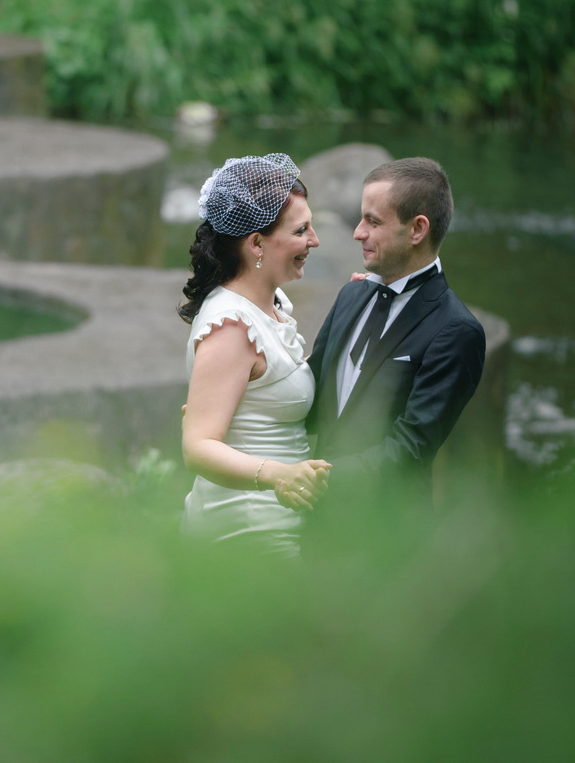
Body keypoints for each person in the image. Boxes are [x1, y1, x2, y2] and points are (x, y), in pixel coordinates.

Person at [304, 157, 485, 532]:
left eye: (373, 221)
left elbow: (413, 447)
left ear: (417, 229)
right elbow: (312, 392)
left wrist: (316, 478)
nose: (358, 233)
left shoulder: (456, 330)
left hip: (388, 537)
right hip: (315, 523)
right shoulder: (351, 296)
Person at [179, 153, 333, 556]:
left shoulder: (269, 305)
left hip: (279, 522)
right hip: (245, 532)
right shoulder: (232, 326)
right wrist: (278, 475)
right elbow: (198, 447)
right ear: (257, 243)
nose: (314, 240)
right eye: (301, 230)